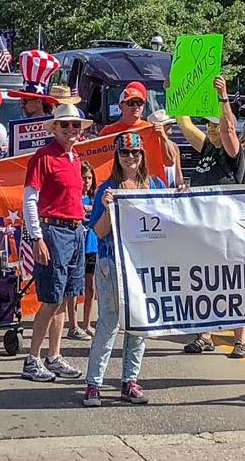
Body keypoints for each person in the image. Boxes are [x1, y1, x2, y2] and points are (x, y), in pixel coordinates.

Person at [181, 77, 245, 359]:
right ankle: (205, 334)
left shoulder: (233, 153)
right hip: (205, 228)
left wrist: (224, 98)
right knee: (205, 281)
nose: (212, 129)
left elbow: (228, 131)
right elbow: (186, 125)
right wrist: (175, 95)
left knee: (235, 283)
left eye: (216, 125)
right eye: (210, 125)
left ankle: (241, 339)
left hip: (234, 228)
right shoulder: (207, 148)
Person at [82, 132, 165, 406]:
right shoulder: (107, 190)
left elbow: (171, 219)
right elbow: (98, 230)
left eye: (136, 152)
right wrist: (106, 209)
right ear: (117, 156)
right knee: (108, 322)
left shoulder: (154, 185)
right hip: (112, 262)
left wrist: (181, 196)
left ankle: (130, 380)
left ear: (143, 156)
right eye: (125, 153)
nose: (131, 157)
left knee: (139, 324)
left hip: (142, 264)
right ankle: (94, 383)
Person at [21, 102, 92, 382]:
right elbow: (29, 198)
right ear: (55, 128)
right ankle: (33, 358)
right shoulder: (44, 157)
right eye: (65, 125)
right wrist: (37, 237)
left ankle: (54, 355)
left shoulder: (74, 158)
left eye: (75, 125)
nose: (71, 130)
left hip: (75, 231)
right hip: (54, 231)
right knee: (51, 299)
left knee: (64, 299)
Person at [66, 162, 98, 340]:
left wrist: (91, 208)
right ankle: (73, 325)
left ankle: (87, 324)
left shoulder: (94, 197)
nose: (86, 181)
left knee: (90, 287)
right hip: (75, 247)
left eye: (88, 178)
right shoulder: (72, 196)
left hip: (92, 246)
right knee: (74, 288)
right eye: (83, 178)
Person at [7, 50, 63, 119]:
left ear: (39, 101)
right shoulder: (18, 125)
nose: (21, 105)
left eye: (24, 101)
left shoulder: (53, 126)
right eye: (20, 101)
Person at [147, 110, 184, 188]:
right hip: (154, 187)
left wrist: (181, 187)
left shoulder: (173, 146)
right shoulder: (147, 146)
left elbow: (177, 172)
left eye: (170, 126)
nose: (170, 131)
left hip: (170, 188)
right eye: (167, 126)